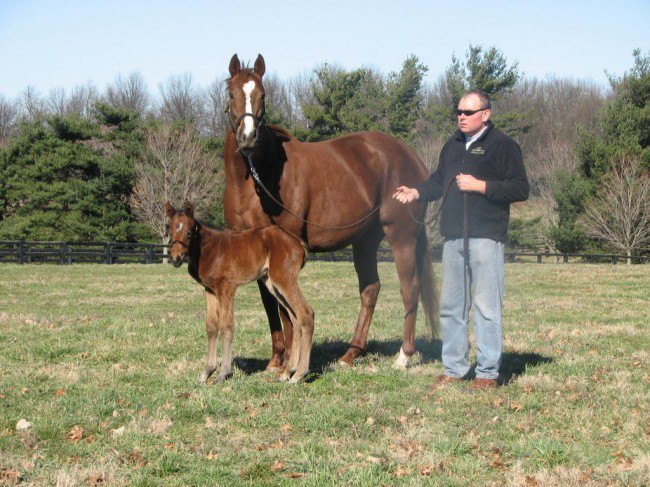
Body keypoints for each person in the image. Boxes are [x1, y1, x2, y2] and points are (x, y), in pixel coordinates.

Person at [393, 90, 529, 391]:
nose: (461, 117)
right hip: (453, 239)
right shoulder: (452, 145)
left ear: (486, 114)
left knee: (486, 308)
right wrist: (416, 192)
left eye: (468, 112)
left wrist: (481, 186)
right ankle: (454, 368)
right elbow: (439, 181)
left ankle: (487, 374)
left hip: (486, 239)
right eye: (458, 112)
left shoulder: (503, 146)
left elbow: (520, 188)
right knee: (452, 307)